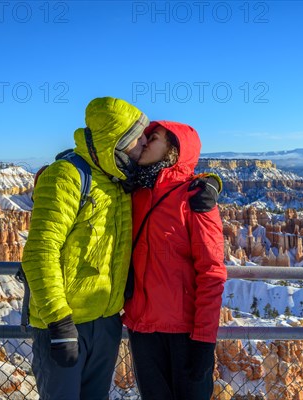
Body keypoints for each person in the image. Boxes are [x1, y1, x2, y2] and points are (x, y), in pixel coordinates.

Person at [22, 96, 148, 399]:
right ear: (117, 142)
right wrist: (59, 323)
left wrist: (210, 181)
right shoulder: (65, 175)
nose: (145, 142)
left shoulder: (118, 182)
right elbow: (40, 252)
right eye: (138, 136)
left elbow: (176, 174)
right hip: (64, 325)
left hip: (105, 323)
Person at [123, 121, 227, 400]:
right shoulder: (135, 191)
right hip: (142, 329)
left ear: (173, 149)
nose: (143, 143)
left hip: (184, 333)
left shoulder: (194, 197)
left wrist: (204, 341)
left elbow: (212, 271)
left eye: (152, 138)